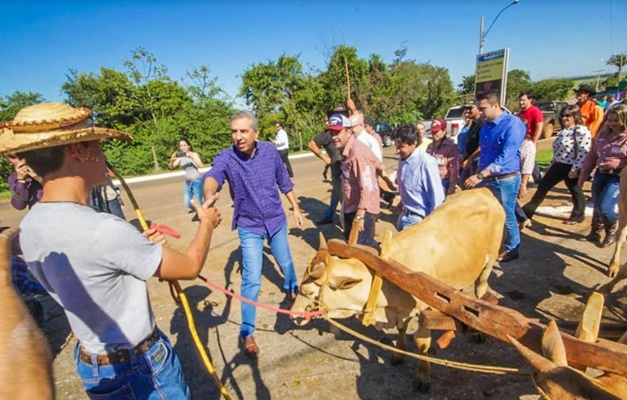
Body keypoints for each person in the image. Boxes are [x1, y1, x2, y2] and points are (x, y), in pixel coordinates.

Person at [0, 102, 222, 398]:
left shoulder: (31, 226)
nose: (104, 155)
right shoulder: (103, 229)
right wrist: (207, 222)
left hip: (93, 361)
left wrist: (134, 250)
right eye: (98, 145)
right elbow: (190, 266)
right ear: (79, 150)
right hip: (139, 365)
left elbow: (93, 271)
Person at [203, 110, 302, 358]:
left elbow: (284, 181)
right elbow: (212, 176)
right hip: (249, 226)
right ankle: (247, 332)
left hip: (276, 220)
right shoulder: (227, 157)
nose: (238, 136)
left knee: (286, 262)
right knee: (252, 279)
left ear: (255, 133)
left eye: (244, 131)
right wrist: (209, 195)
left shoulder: (269, 151)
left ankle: (293, 293)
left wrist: (296, 208)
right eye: (234, 131)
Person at [465, 91, 526, 262]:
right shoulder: (486, 125)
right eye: (478, 108)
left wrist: (481, 174)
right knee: (482, 210)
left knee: (507, 213)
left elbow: (506, 156)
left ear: (495, 106)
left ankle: (512, 247)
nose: (480, 112)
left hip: (505, 178)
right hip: (486, 177)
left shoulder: (513, 124)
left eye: (483, 108)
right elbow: (484, 152)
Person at [328, 113, 390, 249]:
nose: (334, 137)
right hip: (352, 207)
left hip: (362, 211)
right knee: (353, 246)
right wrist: (383, 172)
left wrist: (360, 215)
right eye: (331, 133)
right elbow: (375, 160)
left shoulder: (357, 153)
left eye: (337, 133)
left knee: (364, 250)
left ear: (349, 132)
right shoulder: (347, 150)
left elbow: (367, 187)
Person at [523, 105, 591, 225]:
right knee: (542, 187)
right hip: (558, 165)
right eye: (563, 115)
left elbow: (584, 152)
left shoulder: (581, 131)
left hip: (571, 166)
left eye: (568, 115)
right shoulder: (563, 132)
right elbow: (558, 152)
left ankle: (578, 216)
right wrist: (551, 165)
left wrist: (575, 169)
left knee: (575, 191)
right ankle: (527, 212)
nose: (564, 118)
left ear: (575, 116)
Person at [578, 105, 627, 247]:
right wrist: (583, 176)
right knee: (597, 204)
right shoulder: (602, 135)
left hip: (617, 177)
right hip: (601, 174)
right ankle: (595, 232)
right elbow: (591, 156)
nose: (611, 123)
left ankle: (612, 229)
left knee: (605, 207)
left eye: (615, 120)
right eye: (609, 120)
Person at [392, 124, 444, 231]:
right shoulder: (403, 159)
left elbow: (437, 198)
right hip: (404, 215)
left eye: (401, 146)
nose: (397, 151)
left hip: (419, 221)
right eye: (396, 146)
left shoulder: (426, 163)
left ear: (414, 143)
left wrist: (435, 225)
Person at [309, 111, 343, 225]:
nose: (326, 123)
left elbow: (311, 144)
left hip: (340, 168)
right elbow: (312, 145)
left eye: (327, 121)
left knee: (341, 197)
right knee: (338, 193)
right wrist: (324, 158)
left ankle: (348, 225)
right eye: (325, 121)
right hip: (337, 167)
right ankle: (330, 216)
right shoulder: (327, 134)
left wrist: (325, 159)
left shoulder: (332, 133)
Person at [169, 137, 204, 213]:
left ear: (189, 146)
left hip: (196, 180)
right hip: (188, 181)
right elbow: (171, 167)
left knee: (198, 201)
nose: (183, 147)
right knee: (187, 203)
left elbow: (201, 165)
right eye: (181, 146)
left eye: (184, 145)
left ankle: (203, 215)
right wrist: (171, 160)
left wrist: (192, 158)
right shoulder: (180, 157)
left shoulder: (194, 154)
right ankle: (199, 209)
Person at [426, 118, 460, 196]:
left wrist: (451, 187)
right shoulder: (430, 146)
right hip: (430, 180)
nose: (434, 134)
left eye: (436, 132)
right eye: (432, 132)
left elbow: (454, 169)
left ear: (444, 131)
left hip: (443, 181)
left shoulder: (451, 148)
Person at [459, 104, 485, 187]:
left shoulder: (483, 124)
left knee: (472, 186)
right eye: (466, 109)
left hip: (477, 160)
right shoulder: (473, 123)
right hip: (470, 158)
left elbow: (481, 146)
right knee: (463, 182)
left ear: (478, 109)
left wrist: (469, 159)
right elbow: (470, 143)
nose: (468, 111)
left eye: (470, 108)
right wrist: (465, 157)